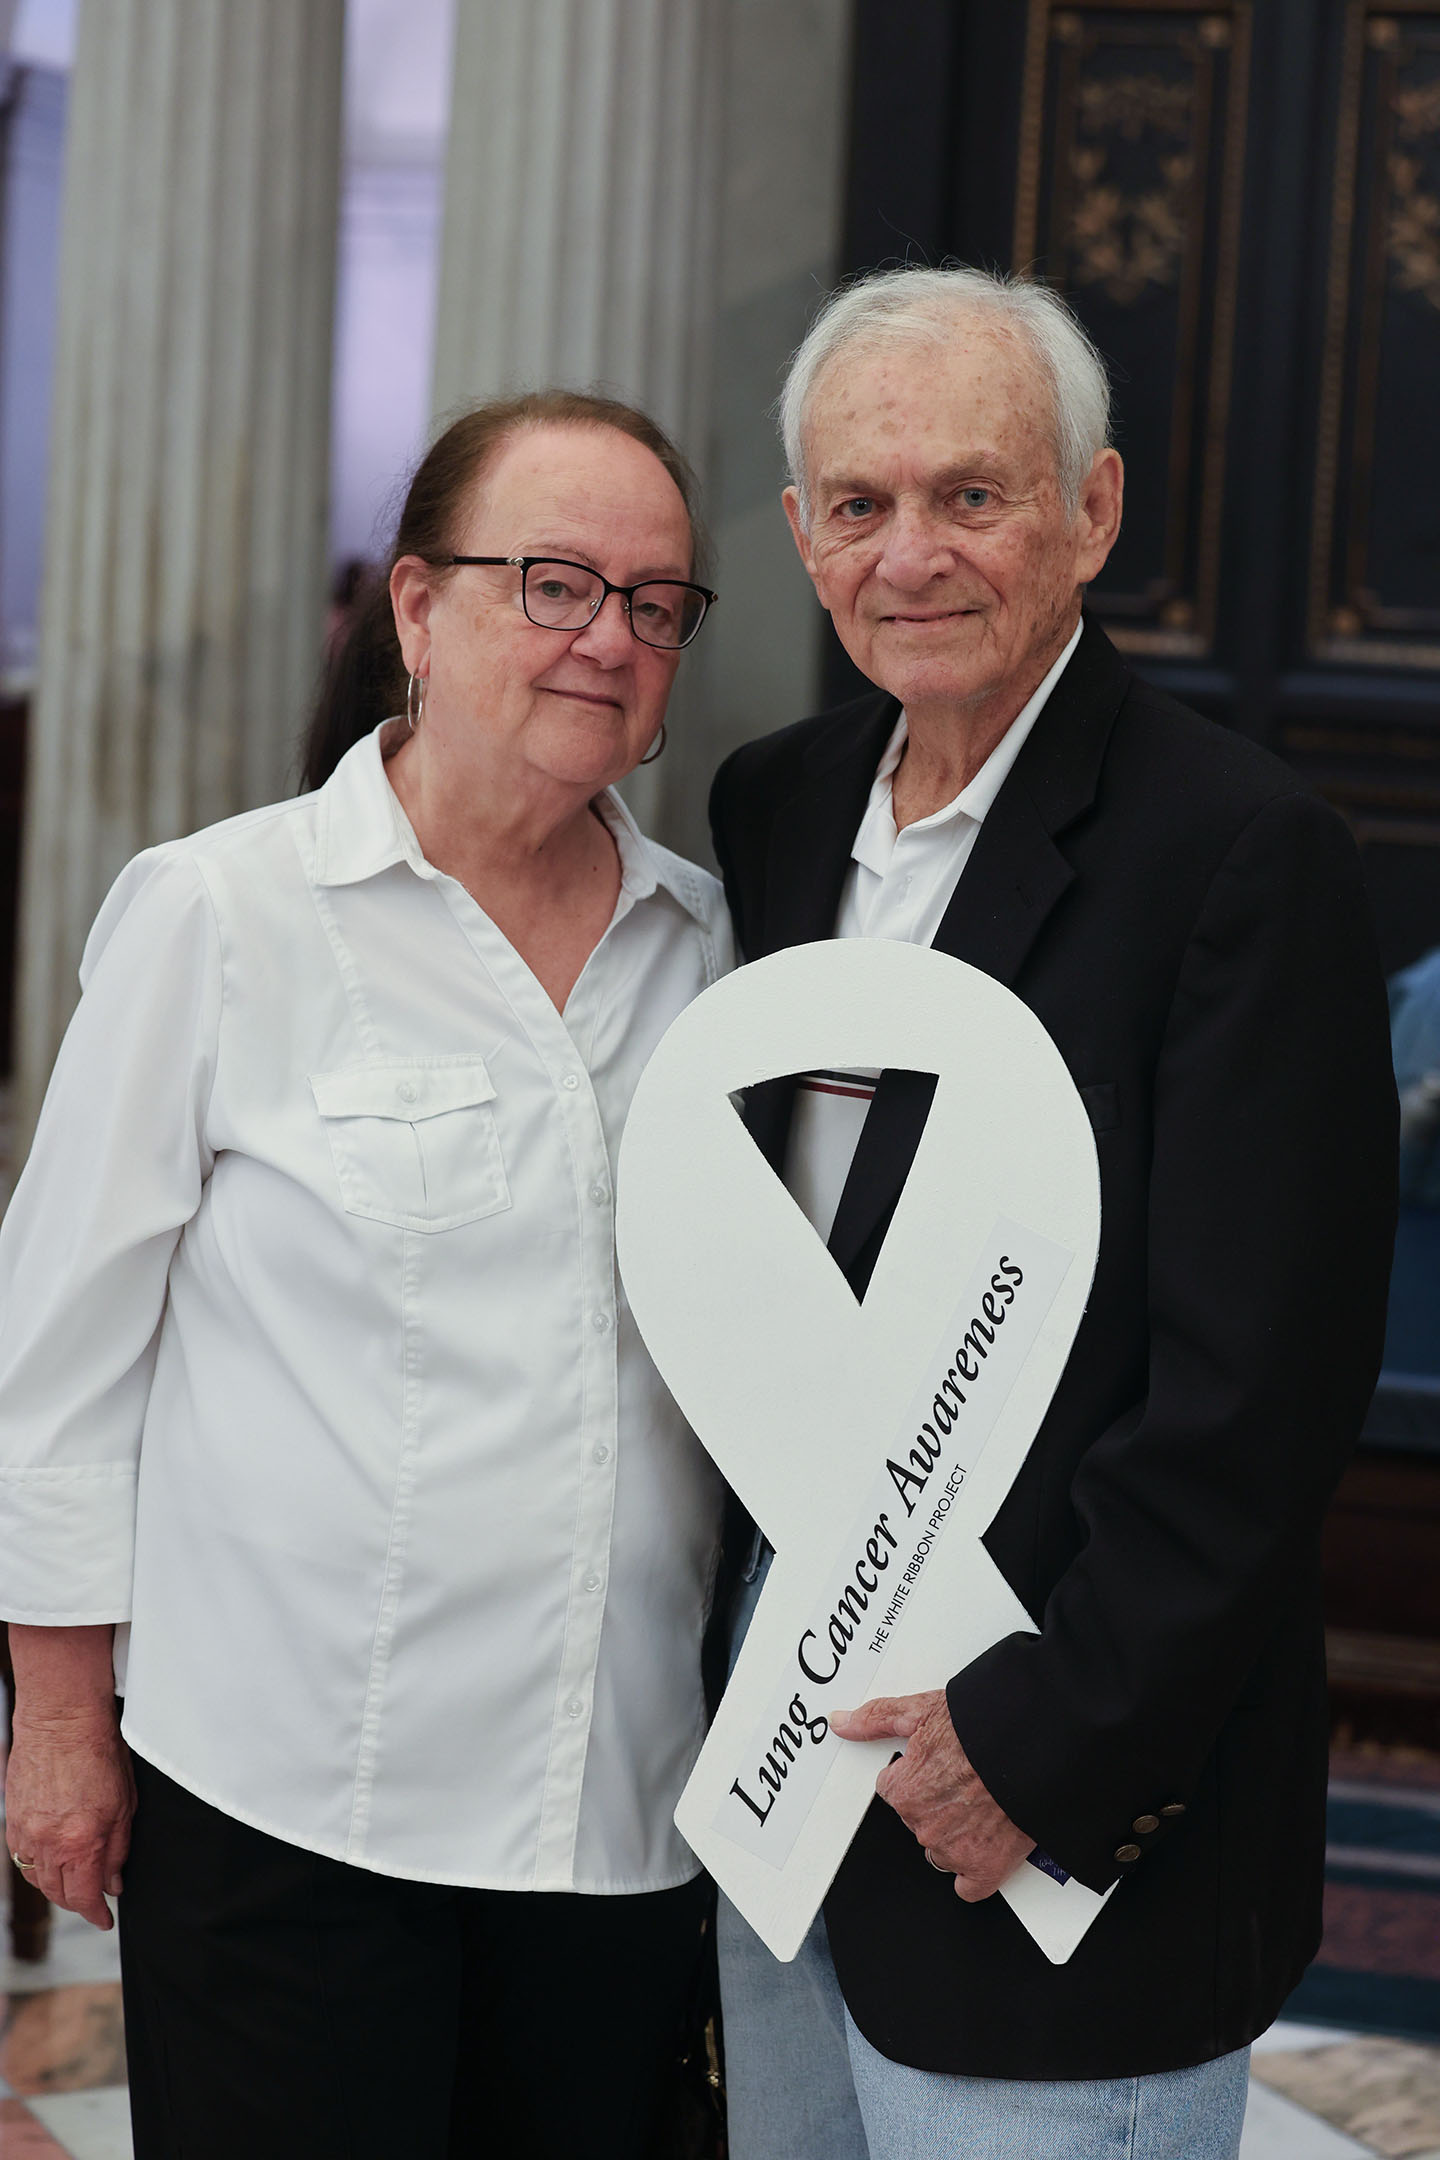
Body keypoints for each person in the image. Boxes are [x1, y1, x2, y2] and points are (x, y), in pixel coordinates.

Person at [707, 266, 1397, 2160]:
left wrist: (1037, 1749)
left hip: (1046, 1818)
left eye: (972, 494)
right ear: (802, 537)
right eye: (861, 504)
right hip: (774, 1794)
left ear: (1091, 512)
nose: (910, 553)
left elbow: (1257, 1397)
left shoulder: (1239, 855)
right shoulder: (773, 812)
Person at [0, 390, 730, 2159]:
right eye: (554, 583)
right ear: (416, 605)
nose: (608, 637)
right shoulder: (221, 913)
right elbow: (60, 1363)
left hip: (620, 1823)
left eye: (654, 605)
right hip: (288, 1813)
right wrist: (62, 1725)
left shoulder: (714, 950)